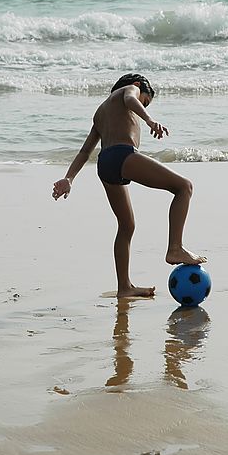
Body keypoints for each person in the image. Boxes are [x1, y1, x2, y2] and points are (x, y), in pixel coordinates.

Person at [52, 73, 206, 298]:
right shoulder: (127, 91)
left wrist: (70, 178)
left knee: (126, 226)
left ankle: (124, 287)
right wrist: (149, 119)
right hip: (122, 154)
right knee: (184, 187)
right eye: (146, 101)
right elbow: (131, 100)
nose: (141, 105)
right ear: (137, 85)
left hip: (105, 164)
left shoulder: (101, 112)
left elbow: (86, 151)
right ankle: (175, 248)